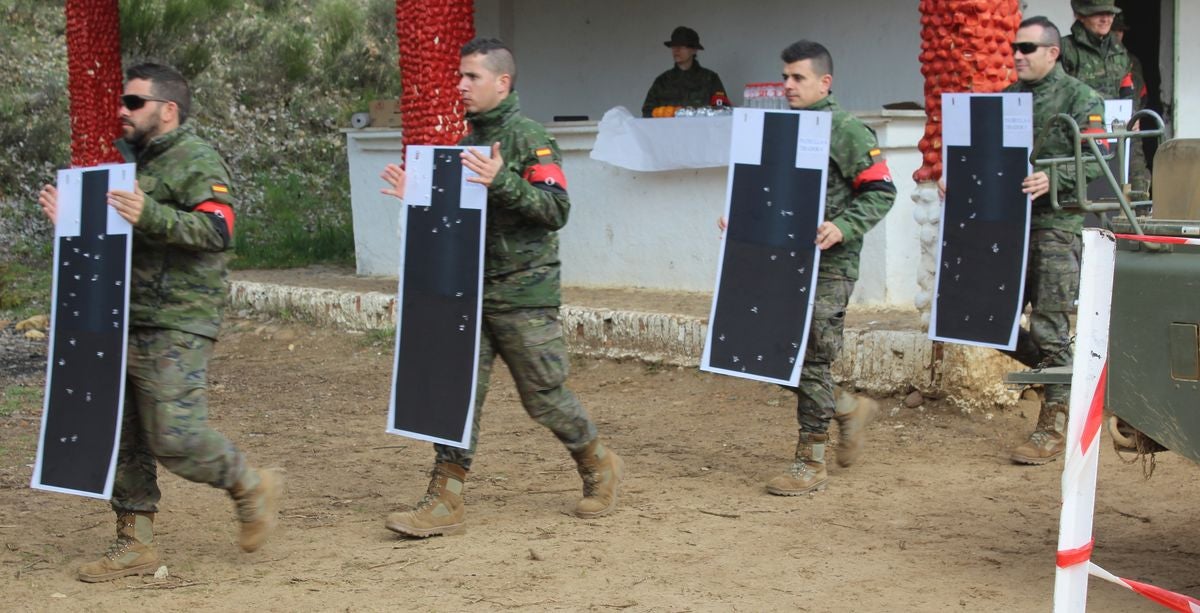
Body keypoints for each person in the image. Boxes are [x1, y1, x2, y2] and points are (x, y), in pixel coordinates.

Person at [37, 63, 282, 582]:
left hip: (177, 318)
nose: (121, 111)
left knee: (174, 436)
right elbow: (112, 242)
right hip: (120, 315)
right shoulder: (131, 169)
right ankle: (135, 540)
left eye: (134, 102)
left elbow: (218, 229)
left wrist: (150, 214)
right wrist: (72, 224)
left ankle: (246, 481)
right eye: (123, 102)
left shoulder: (197, 158)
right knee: (123, 435)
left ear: (167, 110)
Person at [380, 38, 623, 537]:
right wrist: (416, 199)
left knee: (544, 397)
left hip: (522, 293)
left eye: (472, 77)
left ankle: (598, 463)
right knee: (453, 393)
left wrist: (502, 180)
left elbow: (556, 209)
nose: (461, 85)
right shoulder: (461, 145)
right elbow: (452, 223)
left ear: (502, 82)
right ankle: (445, 498)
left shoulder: (529, 138)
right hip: (463, 292)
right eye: (460, 76)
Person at [744, 40, 896, 495]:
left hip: (830, 265)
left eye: (798, 78)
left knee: (811, 356)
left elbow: (882, 191)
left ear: (824, 82)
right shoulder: (781, 129)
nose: (787, 85)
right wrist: (742, 218)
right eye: (785, 77)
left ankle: (810, 461)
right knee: (770, 356)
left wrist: (843, 226)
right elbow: (774, 194)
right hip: (783, 261)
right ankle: (848, 407)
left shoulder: (847, 131)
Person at [1002, 17, 1105, 464]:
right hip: (1007, 225)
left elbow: (1103, 161)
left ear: (1052, 52)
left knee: (1049, 326)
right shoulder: (1006, 100)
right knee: (992, 322)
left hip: (1057, 226)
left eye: (1028, 48)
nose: (1018, 55)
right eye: (1014, 49)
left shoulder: (1082, 99)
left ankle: (1054, 425)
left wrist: (1055, 177)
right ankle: (1069, 375)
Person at [641, 26, 730, 117]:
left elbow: (722, 111)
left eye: (682, 46)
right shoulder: (662, 81)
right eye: (674, 46)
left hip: (700, 130)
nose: (676, 50)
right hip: (668, 130)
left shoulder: (710, 79)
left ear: (694, 50)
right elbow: (647, 112)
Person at [1059, 0, 1134, 101]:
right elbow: (1055, 94)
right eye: (1098, 14)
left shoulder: (1119, 50)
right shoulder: (1065, 48)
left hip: (1115, 116)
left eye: (1110, 13)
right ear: (1081, 16)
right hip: (1076, 116)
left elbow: (1126, 90)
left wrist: (1132, 114)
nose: (1105, 19)